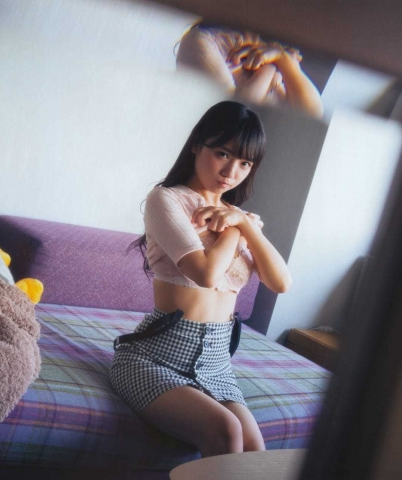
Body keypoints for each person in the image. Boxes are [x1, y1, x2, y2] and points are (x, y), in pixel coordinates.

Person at [109, 101, 291, 456]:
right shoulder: (166, 199)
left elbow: (281, 283)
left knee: (254, 450)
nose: (231, 171)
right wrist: (237, 230)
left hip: (217, 364)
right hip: (155, 356)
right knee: (226, 430)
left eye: (245, 163)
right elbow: (205, 274)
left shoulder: (237, 216)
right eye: (223, 153)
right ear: (197, 144)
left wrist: (243, 223)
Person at [176, 22, 324, 118]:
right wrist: (271, 66)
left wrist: (282, 58)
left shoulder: (277, 47)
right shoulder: (203, 40)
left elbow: (312, 115)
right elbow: (235, 115)